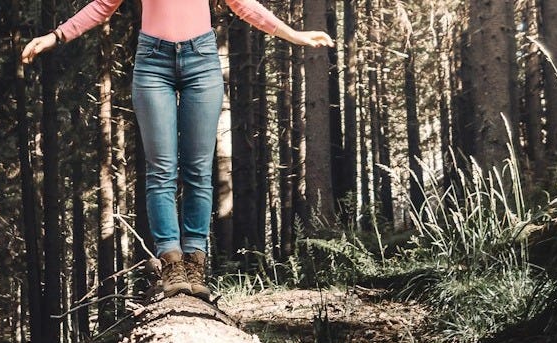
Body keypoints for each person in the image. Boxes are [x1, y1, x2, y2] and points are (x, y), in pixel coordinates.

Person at [22, 0, 332, 301]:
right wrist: (56, 35)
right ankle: (171, 264)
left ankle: (195, 263)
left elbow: (242, 4)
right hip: (152, 62)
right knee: (161, 170)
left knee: (198, 169)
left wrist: (293, 34)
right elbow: (104, 4)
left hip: (202, 59)